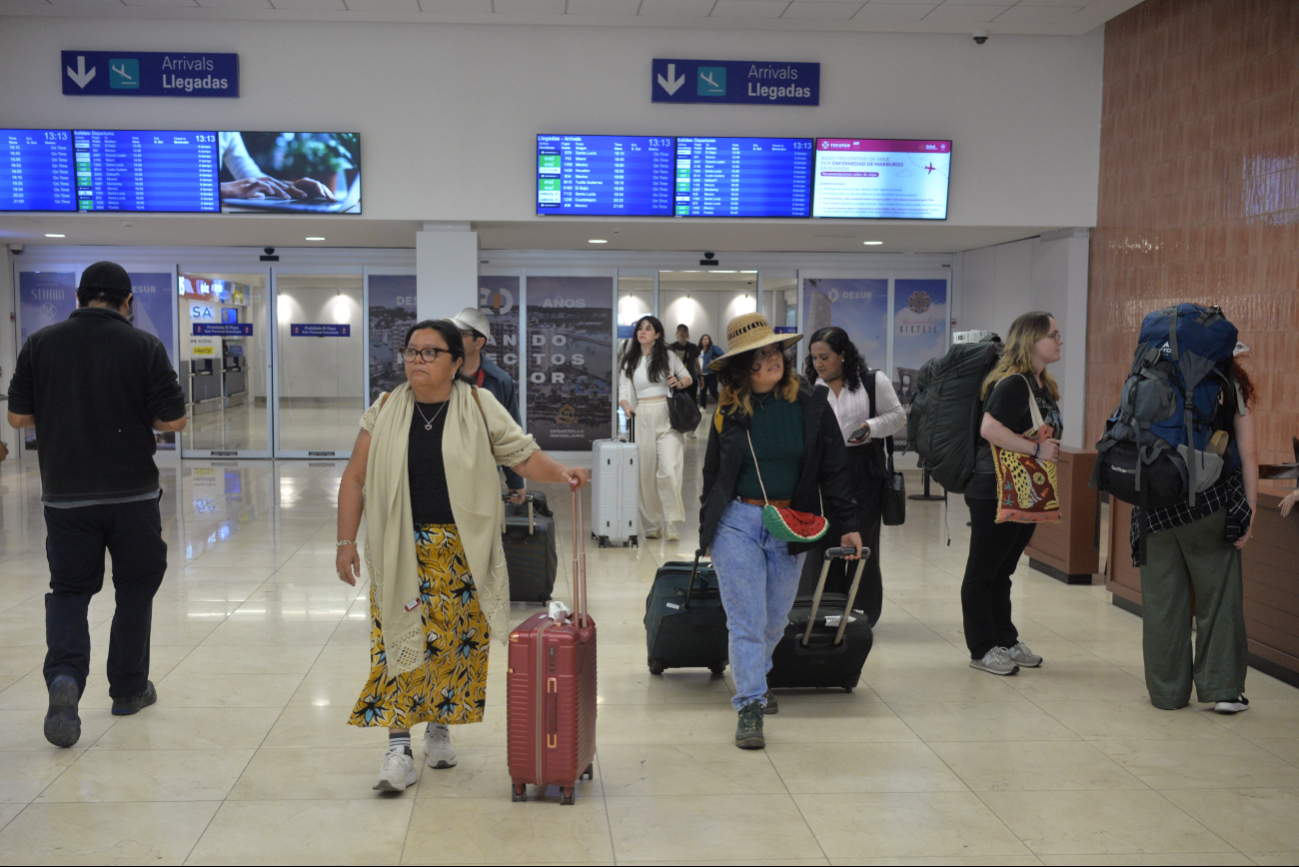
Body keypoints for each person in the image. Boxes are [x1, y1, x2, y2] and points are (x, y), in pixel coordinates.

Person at [335, 320, 589, 793]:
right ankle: (397, 750)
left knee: (453, 647)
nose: (417, 360)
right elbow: (355, 477)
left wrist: (561, 472)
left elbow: (521, 455)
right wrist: (345, 541)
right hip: (399, 549)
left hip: (461, 551)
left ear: (456, 363)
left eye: (430, 353)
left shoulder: (477, 403)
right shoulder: (387, 408)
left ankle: (438, 728)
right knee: (396, 644)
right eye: (411, 351)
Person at [6, 261, 187, 748]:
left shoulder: (40, 344)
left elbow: (19, 417)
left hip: (65, 497)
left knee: (68, 591)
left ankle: (64, 678)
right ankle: (129, 689)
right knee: (134, 588)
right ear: (127, 303)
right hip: (132, 495)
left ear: (79, 298)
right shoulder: (144, 345)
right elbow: (174, 422)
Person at [699, 313, 861, 750]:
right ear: (740, 366)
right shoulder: (729, 410)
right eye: (760, 355)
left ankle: (755, 673)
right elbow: (713, 475)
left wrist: (847, 525)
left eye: (775, 350)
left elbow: (834, 467)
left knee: (774, 620)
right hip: (737, 522)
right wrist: (707, 532)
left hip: (793, 523)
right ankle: (750, 702)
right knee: (747, 620)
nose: (773, 358)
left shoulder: (810, 402)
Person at [1131, 348, 1258, 714]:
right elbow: (1248, 454)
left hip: (1153, 507)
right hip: (1209, 505)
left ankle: (1166, 692)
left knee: (1162, 602)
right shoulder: (1231, 385)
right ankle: (1223, 690)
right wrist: (1249, 510)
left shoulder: (1152, 378)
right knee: (1218, 598)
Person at [961, 311, 1063, 676]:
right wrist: (1035, 451)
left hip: (1022, 489)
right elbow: (989, 428)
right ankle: (982, 647)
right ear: (1031, 340)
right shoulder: (1014, 384)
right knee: (983, 570)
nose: (1059, 340)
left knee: (1003, 569)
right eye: (1053, 334)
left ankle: (1004, 638)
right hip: (995, 489)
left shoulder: (1040, 384)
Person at [805, 327, 906, 624]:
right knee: (826, 540)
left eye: (825, 357)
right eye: (813, 358)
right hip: (823, 471)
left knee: (862, 540)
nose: (818, 364)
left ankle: (863, 611)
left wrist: (870, 427)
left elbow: (898, 417)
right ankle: (829, 608)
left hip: (863, 469)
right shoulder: (810, 386)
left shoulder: (872, 381)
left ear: (843, 355)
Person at [619, 316, 693, 542]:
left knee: (668, 470)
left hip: (668, 414)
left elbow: (688, 378)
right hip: (643, 416)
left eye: (648, 329)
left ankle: (671, 522)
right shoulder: (629, 361)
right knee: (646, 473)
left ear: (657, 334)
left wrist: (678, 383)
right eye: (640, 329)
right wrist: (626, 406)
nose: (642, 332)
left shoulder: (668, 356)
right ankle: (652, 523)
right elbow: (623, 389)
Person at [448, 307, 526, 504]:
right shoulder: (440, 375)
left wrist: (515, 482)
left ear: (479, 342)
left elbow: (510, 434)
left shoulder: (499, 381)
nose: (452, 339)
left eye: (460, 335)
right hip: (443, 470)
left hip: (483, 473)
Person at [670, 324, 702, 436]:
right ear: (677, 333)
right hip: (676, 380)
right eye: (680, 331)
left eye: (684, 331)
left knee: (691, 402)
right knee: (677, 402)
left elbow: (697, 364)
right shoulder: (672, 347)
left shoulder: (693, 347)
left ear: (687, 334)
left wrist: (701, 377)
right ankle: (678, 425)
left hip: (690, 379)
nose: (682, 333)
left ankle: (691, 428)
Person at [698, 334, 723, 409]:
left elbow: (722, 356)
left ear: (709, 340)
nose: (704, 340)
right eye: (703, 339)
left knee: (713, 391)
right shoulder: (698, 350)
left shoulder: (713, 348)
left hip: (711, 374)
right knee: (702, 392)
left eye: (706, 339)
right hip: (701, 375)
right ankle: (703, 407)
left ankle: (723, 404)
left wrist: (714, 360)